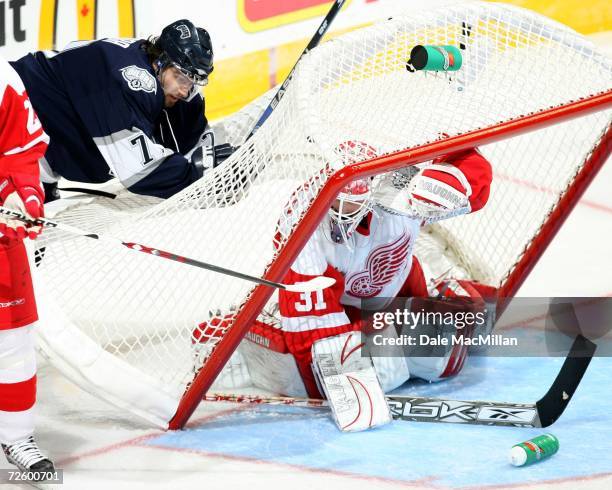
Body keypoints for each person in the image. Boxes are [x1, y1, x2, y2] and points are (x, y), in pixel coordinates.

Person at [195, 141, 493, 431]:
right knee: (320, 372)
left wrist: (456, 182)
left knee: (454, 337)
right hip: (335, 308)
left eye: (351, 203)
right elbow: (314, 335)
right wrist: (356, 364)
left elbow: (471, 162)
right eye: (337, 199)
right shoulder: (302, 220)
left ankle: (404, 332)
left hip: (394, 293)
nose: (341, 213)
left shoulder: (402, 192)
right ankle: (232, 331)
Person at [10, 19, 232, 201]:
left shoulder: (156, 70)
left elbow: (196, 142)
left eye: (192, 81)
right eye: (180, 77)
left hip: (38, 149)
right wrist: (195, 173)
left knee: (28, 239)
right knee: (15, 240)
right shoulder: (128, 80)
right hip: (10, 125)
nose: (184, 91)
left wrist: (224, 167)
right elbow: (140, 173)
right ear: (160, 61)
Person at [0, 55, 55, 476]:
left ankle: (17, 435)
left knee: (14, 340)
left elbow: (20, 149)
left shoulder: (3, 79)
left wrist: (23, 196)